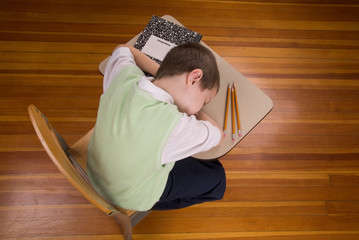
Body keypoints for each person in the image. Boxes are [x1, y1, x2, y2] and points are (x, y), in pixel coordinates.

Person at [87, 42, 226, 211]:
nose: (201, 108)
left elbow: (122, 48)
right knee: (217, 177)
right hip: (127, 195)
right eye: (205, 101)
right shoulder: (176, 126)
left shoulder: (123, 75)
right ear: (195, 77)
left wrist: (162, 74)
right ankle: (154, 201)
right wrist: (195, 113)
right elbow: (219, 135)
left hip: (95, 172)